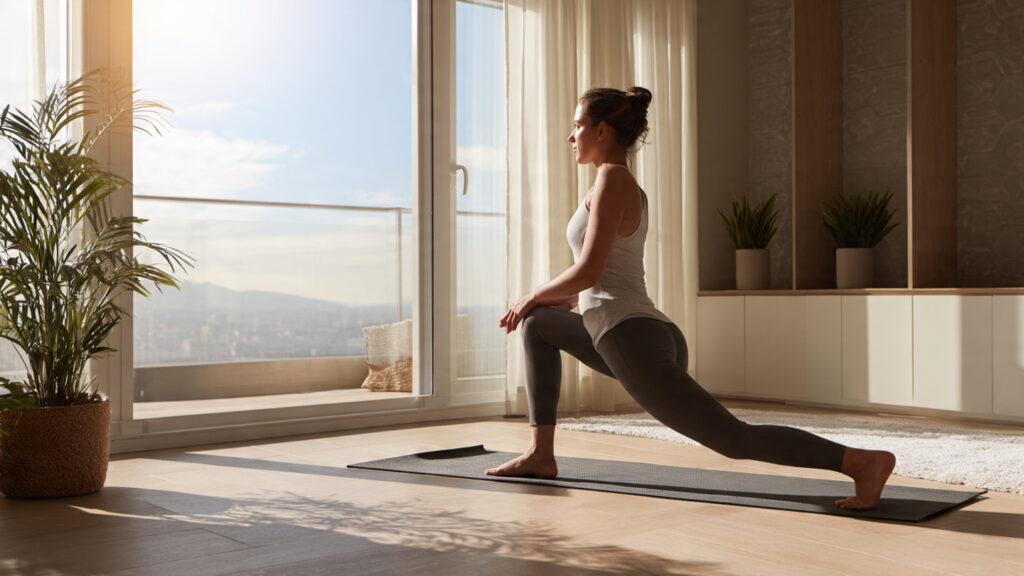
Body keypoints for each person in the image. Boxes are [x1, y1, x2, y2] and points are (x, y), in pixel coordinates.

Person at [488, 86, 897, 511]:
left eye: (577, 126)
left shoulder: (612, 179)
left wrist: (531, 294)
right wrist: (567, 301)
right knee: (538, 325)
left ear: (603, 130)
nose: (571, 137)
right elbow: (606, 273)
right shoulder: (615, 182)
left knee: (733, 439)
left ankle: (861, 463)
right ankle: (541, 454)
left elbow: (590, 270)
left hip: (629, 337)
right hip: (630, 330)